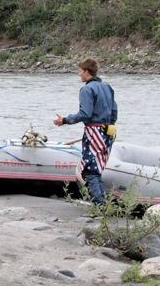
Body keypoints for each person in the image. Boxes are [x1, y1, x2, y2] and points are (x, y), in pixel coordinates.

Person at [53, 57, 117, 207]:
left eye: (80, 71)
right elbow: (114, 112)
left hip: (94, 132)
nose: (79, 74)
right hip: (108, 132)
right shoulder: (108, 88)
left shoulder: (87, 89)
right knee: (97, 169)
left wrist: (65, 120)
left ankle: (99, 205)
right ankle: (106, 205)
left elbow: (85, 114)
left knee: (89, 170)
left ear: (87, 72)